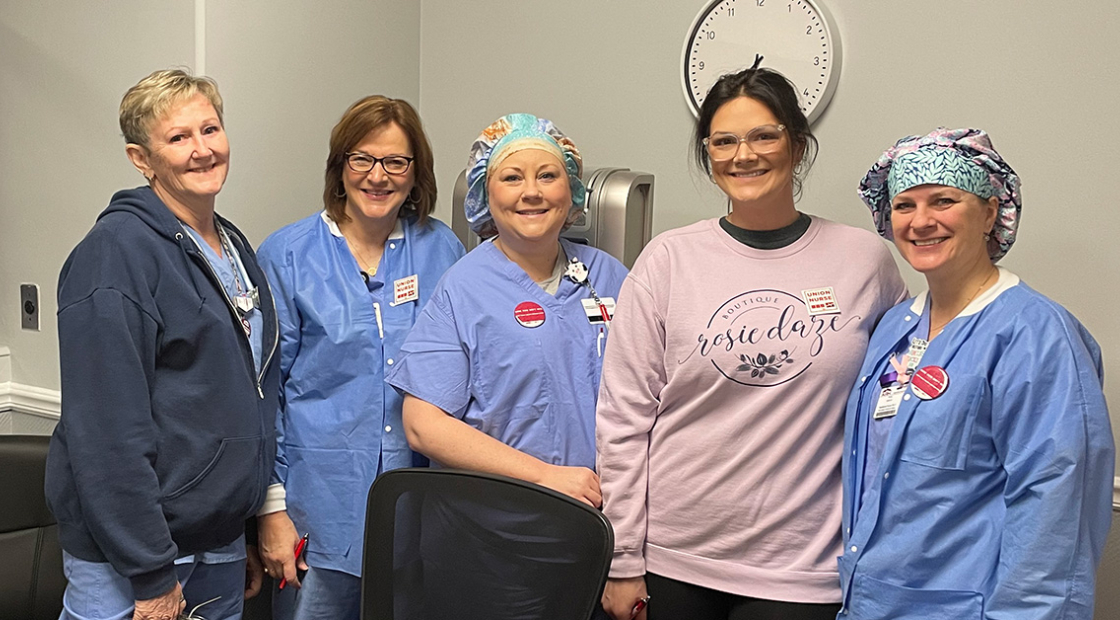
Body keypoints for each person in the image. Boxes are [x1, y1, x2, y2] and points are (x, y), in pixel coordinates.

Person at [595, 62, 908, 620]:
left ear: (798, 143)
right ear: (707, 153)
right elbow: (624, 417)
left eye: (765, 135)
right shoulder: (669, 259)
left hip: (803, 565)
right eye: (724, 141)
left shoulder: (864, 261)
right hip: (674, 558)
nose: (745, 155)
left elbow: (892, 404)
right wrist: (621, 558)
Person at [837, 127, 1114, 620]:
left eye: (943, 200)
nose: (921, 222)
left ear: (990, 212)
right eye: (904, 205)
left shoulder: (1036, 336)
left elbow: (1055, 515)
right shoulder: (894, 329)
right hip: (872, 603)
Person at [46, 69, 278, 620]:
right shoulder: (114, 255)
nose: (202, 150)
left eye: (210, 129)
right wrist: (150, 572)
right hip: (139, 555)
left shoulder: (232, 245)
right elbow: (106, 432)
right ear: (140, 158)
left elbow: (238, 395)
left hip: (215, 537)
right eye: (178, 138)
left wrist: (239, 528)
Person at [254, 95, 464, 620]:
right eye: (362, 159)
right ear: (340, 166)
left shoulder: (442, 250)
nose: (378, 176)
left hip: (420, 515)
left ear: (416, 174)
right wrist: (271, 512)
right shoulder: (287, 255)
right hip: (315, 515)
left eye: (396, 162)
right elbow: (265, 396)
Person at [387, 112, 627, 504]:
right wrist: (543, 476)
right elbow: (423, 427)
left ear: (572, 190)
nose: (532, 192)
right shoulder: (463, 288)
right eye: (512, 177)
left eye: (548, 176)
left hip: (601, 519)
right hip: (495, 524)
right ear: (485, 194)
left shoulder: (610, 276)